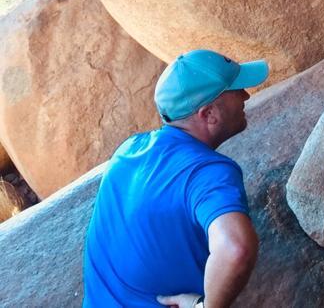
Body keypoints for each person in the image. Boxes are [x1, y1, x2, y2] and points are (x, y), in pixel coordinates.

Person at [82, 49, 269, 307]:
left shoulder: (129, 149)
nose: (245, 95)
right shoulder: (209, 173)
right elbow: (235, 249)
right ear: (209, 114)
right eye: (235, 90)